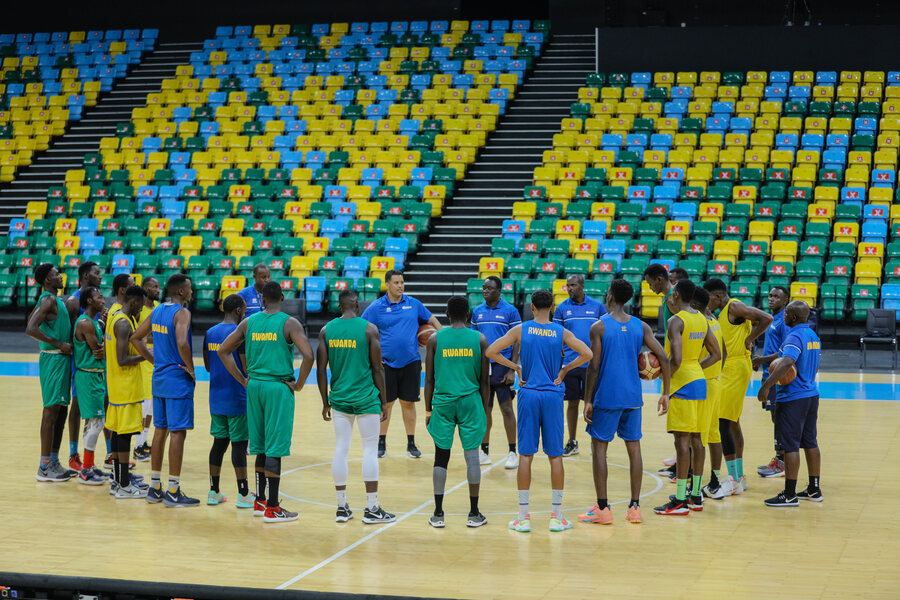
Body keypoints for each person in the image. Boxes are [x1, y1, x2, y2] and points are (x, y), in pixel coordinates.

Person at [486, 289, 592, 533]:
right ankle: (556, 517)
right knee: (555, 455)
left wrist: (516, 368)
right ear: (553, 307)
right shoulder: (560, 331)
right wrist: (564, 370)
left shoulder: (521, 329)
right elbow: (588, 353)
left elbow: (490, 351)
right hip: (553, 396)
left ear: (531, 307)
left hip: (529, 394)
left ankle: (523, 518)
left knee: (526, 455)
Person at [217, 281, 315, 523]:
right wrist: (299, 385)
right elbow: (309, 355)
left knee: (259, 445)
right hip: (277, 387)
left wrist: (243, 379)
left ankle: (259, 501)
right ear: (282, 297)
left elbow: (223, 350)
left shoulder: (249, 322)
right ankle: (273, 507)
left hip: (255, 387)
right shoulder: (289, 323)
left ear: (261, 300)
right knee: (275, 447)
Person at [578, 279, 670, 525]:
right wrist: (666, 392)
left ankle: (603, 508)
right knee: (634, 448)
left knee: (599, 448)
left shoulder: (599, 327)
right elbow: (663, 357)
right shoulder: (641, 326)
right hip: (632, 396)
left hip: (606, 397)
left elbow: (594, 366)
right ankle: (635, 507)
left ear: (609, 297)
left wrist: (588, 399)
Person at [317, 289, 395, 524]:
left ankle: (342, 507)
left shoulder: (326, 330)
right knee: (369, 450)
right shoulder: (369, 329)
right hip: (366, 399)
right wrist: (383, 401)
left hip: (339, 399)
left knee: (341, 448)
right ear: (357, 306)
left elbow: (320, 369)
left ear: (340, 306)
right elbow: (378, 368)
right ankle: (372, 508)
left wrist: (325, 402)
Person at [654, 280, 721, 516]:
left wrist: (665, 386)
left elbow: (677, 359)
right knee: (696, 440)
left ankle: (680, 500)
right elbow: (716, 354)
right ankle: (695, 496)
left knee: (681, 441)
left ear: (677, 294)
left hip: (682, 383)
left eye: (672, 294)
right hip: (698, 381)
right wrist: (697, 372)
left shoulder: (676, 320)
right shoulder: (703, 319)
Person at [131, 274, 197, 507]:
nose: (191, 292)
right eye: (189, 289)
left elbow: (136, 337)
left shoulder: (157, 311)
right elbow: (182, 343)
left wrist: (154, 360)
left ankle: (155, 487)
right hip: (176, 380)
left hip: (159, 378)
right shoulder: (182, 312)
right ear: (180, 292)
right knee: (178, 432)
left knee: (161, 431)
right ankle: (173, 490)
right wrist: (191, 368)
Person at [361, 270, 442, 459]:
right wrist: (370, 355)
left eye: (402, 282)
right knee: (386, 404)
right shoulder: (376, 307)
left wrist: (445, 337)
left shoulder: (413, 304)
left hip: (411, 362)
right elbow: (361, 329)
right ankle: (381, 443)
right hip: (385, 365)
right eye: (396, 282)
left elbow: (432, 320)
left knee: (408, 403)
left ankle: (411, 443)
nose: (400, 286)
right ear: (387, 285)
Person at [425, 296, 490, 528]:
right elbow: (484, 380)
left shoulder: (434, 339)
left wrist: (427, 409)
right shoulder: (480, 339)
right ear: (469, 314)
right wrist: (484, 408)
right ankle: (474, 513)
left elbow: (429, 378)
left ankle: (438, 513)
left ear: (447, 313)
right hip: (471, 402)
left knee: (441, 456)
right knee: (471, 456)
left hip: (442, 403)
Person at [704, 278, 773, 493]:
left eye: (709, 300)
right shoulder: (723, 313)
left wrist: (749, 339)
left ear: (717, 295)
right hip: (730, 366)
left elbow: (767, 318)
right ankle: (739, 476)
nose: (708, 305)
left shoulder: (734, 306)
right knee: (732, 421)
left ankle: (733, 478)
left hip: (736, 367)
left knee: (722, 421)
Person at [757, 301, 822, 507]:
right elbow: (803, 359)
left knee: (790, 446)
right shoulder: (812, 335)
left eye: (786, 313)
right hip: (811, 395)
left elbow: (786, 362)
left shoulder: (794, 335)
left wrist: (767, 386)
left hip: (793, 398)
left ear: (792, 317)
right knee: (810, 442)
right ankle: (814, 488)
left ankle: (789, 494)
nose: (783, 316)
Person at [202, 294, 253, 508]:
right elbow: (246, 366)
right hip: (237, 397)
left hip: (216, 397)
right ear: (239, 311)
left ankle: (213, 492)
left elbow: (206, 366)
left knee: (219, 444)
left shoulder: (210, 332)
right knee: (239, 447)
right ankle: (243, 494)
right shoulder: (239, 333)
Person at [26, 263, 76, 482]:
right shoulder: (47, 299)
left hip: (61, 359)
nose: (60, 276)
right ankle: (44, 466)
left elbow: (34, 321)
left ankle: (54, 461)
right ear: (47, 280)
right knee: (50, 412)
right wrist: (58, 342)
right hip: (54, 358)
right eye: (56, 274)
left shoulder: (55, 300)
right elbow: (30, 328)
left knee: (60, 411)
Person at [552, 274, 606, 457]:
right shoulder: (561, 309)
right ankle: (572, 442)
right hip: (570, 364)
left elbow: (605, 334)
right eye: (568, 286)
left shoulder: (597, 306)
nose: (570, 289)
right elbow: (557, 336)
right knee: (572, 403)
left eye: (573, 285)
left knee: (593, 404)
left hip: (592, 365)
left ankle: (595, 442)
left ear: (582, 285)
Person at [470, 276, 520, 469]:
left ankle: (512, 452)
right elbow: (475, 340)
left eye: (489, 288)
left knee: (506, 408)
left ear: (499, 291)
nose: (485, 291)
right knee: (484, 410)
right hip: (483, 366)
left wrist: (512, 368)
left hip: (503, 365)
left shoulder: (510, 311)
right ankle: (484, 450)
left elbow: (517, 340)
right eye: (483, 288)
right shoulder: (477, 312)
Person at [106, 285, 149, 499]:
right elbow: (122, 360)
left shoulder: (116, 316)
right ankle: (123, 484)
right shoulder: (123, 323)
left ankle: (117, 480)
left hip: (116, 387)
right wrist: (147, 356)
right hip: (125, 388)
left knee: (117, 434)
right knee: (124, 436)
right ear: (133, 302)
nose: (142, 309)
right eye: (140, 305)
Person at [691, 288, 733, 500]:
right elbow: (724, 353)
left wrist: (696, 369)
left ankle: (694, 486)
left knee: (698, 436)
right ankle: (715, 481)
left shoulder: (702, 322)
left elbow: (717, 355)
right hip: (715, 381)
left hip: (704, 383)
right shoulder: (714, 319)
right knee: (714, 434)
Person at [64, 260, 102, 472]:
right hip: (80, 364)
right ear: (86, 276)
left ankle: (93, 457)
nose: (100, 276)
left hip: (94, 363)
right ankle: (73, 454)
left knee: (94, 410)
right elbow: (71, 336)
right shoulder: (73, 301)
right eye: (97, 273)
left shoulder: (96, 303)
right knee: (77, 407)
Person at [752, 286, 790, 478]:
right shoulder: (772, 318)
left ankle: (781, 462)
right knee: (775, 418)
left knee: (779, 418)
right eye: (770, 295)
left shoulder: (784, 320)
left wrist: (761, 359)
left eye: (777, 297)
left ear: (785, 301)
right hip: (768, 373)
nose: (772, 299)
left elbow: (785, 352)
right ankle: (779, 459)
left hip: (776, 376)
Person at [72, 287, 108, 486]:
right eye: (99, 297)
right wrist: (106, 345)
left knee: (94, 422)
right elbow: (98, 351)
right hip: (88, 375)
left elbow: (101, 347)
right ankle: (85, 470)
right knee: (96, 422)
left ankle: (90, 465)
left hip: (95, 375)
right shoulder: (86, 323)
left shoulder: (93, 322)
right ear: (89, 301)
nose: (103, 299)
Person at [133, 276, 160, 462]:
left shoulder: (158, 307)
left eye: (158, 286)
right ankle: (136, 446)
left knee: (151, 407)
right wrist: (148, 340)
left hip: (155, 361)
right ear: (145, 288)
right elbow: (136, 336)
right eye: (153, 286)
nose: (157, 289)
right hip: (142, 361)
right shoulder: (139, 309)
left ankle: (143, 442)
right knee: (143, 406)